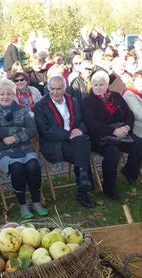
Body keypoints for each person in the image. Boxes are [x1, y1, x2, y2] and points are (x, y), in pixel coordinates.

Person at [0, 79, 48, 219]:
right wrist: (20, 129)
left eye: (9, 93)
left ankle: (37, 202)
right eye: (1, 94)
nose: (5, 96)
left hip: (24, 147)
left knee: (33, 166)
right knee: (17, 167)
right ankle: (22, 205)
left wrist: (15, 137)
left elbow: (32, 129)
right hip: (2, 150)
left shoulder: (21, 109)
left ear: (13, 94)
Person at [82, 71, 142, 199]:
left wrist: (127, 127)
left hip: (122, 132)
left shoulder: (116, 96)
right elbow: (91, 124)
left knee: (140, 144)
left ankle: (129, 172)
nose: (98, 87)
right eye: (95, 85)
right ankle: (109, 188)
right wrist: (113, 131)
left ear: (107, 85)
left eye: (101, 84)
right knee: (113, 153)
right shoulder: (88, 101)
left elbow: (129, 114)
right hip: (101, 137)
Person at [34, 76, 95, 208]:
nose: (55, 92)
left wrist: (79, 129)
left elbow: (82, 120)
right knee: (81, 149)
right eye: (52, 89)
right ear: (48, 88)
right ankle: (83, 186)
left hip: (75, 140)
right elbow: (46, 131)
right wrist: (69, 135)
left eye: (59, 89)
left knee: (81, 143)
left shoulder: (72, 101)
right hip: (53, 143)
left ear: (65, 88)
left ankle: (83, 185)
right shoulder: (41, 106)